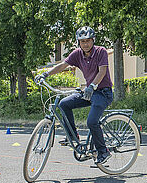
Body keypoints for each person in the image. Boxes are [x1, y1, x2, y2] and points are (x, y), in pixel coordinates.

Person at [35, 26, 114, 164]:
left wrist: (92, 86)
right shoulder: (77, 54)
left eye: (88, 40)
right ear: (79, 42)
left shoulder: (100, 51)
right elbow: (62, 65)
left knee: (91, 122)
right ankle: (73, 137)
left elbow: (102, 72)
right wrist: (45, 74)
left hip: (103, 92)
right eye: (82, 41)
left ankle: (103, 151)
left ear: (93, 40)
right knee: (64, 104)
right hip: (89, 92)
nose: (86, 44)